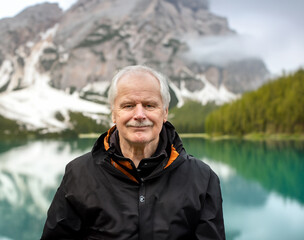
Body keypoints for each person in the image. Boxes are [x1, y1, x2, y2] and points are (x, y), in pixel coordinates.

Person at [41, 65, 225, 240]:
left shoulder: (202, 177)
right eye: (128, 105)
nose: (139, 115)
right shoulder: (78, 173)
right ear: (114, 113)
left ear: (165, 112)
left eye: (150, 105)